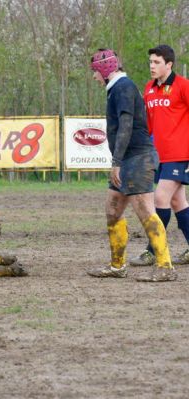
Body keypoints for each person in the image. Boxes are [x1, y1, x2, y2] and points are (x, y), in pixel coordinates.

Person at [86, 48, 176, 282]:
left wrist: (116, 162)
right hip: (128, 159)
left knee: (145, 210)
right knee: (113, 210)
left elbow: (126, 124)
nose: (94, 77)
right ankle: (117, 266)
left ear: (105, 69)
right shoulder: (115, 89)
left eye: (95, 72)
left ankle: (165, 266)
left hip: (137, 158)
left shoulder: (123, 88)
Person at [130, 45, 189, 267]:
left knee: (160, 199)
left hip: (180, 154)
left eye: (156, 62)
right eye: (150, 62)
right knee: (177, 201)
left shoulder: (183, 86)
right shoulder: (149, 88)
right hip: (159, 156)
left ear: (169, 64)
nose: (152, 66)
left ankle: (153, 250)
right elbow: (151, 124)